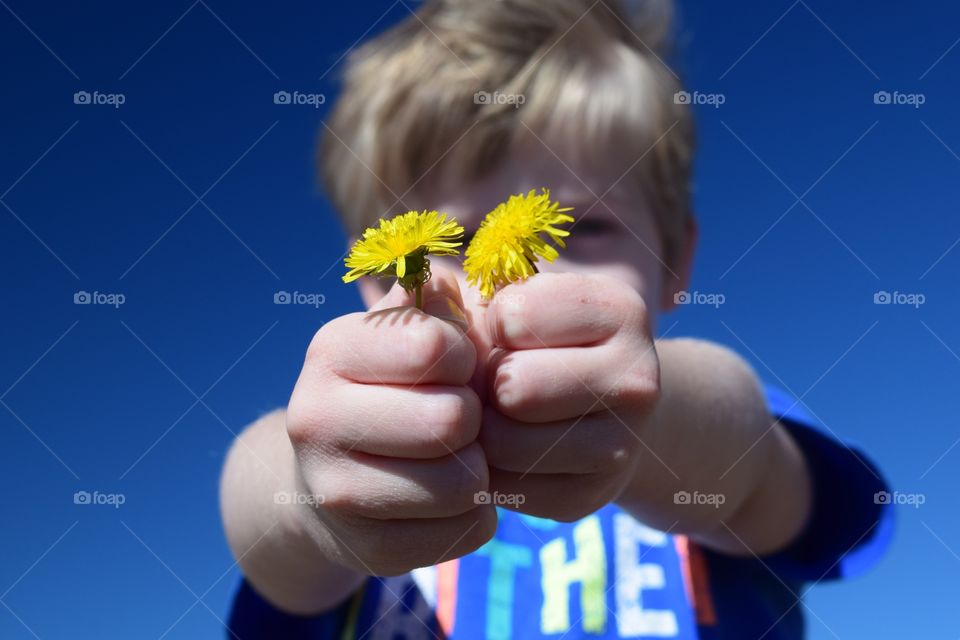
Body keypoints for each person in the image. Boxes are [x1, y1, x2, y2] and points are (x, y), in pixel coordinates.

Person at [220, 1, 893, 637]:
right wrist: (314, 493)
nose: (522, 274)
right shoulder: (355, 473)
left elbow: (747, 459)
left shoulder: (705, 440)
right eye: (447, 244)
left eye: (586, 226)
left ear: (676, 259)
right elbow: (263, 515)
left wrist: (649, 418)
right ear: (380, 279)